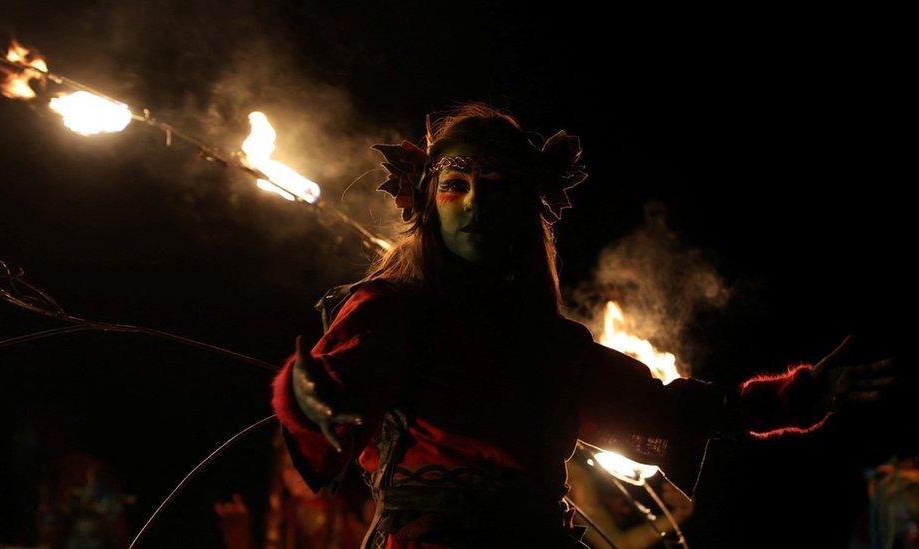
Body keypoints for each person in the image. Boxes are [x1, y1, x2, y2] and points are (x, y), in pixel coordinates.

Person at [270, 102, 898, 547]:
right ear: (427, 201)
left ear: (528, 207)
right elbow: (336, 387)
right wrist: (316, 397)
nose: (475, 205)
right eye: (456, 186)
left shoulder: (554, 349)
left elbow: (672, 413)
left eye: (496, 187)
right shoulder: (390, 309)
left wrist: (800, 393)